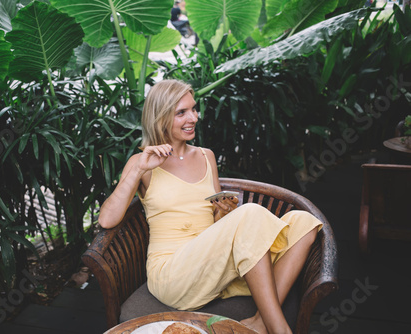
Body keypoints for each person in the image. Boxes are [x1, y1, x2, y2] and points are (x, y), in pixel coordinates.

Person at [98, 79, 322, 334]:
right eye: (181, 112)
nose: (193, 117)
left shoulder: (206, 156)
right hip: (173, 274)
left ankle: (261, 321)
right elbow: (106, 220)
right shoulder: (142, 162)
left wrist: (222, 212)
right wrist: (138, 168)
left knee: (303, 222)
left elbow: (214, 221)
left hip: (211, 266)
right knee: (249, 214)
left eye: (194, 109)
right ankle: (279, 328)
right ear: (160, 117)